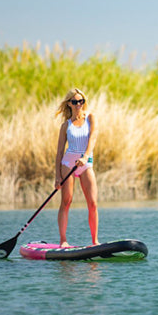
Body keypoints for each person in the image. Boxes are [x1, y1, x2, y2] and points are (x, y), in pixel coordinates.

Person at [55, 87, 99, 246]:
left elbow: (92, 138)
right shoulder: (66, 126)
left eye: (81, 101)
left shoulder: (90, 118)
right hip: (68, 164)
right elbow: (60, 152)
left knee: (93, 203)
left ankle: (95, 241)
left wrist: (85, 156)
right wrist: (57, 176)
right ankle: (63, 240)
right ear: (69, 104)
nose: (78, 104)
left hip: (85, 163)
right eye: (75, 102)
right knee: (66, 201)